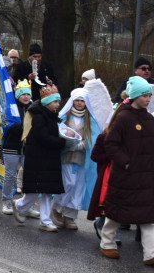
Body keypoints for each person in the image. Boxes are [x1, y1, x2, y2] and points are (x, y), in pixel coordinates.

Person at [96, 76, 154, 263]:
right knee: (116, 212)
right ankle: (107, 243)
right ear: (136, 96)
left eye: (150, 95)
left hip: (146, 177)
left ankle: (150, 254)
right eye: (145, 95)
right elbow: (111, 144)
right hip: (125, 176)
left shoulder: (149, 118)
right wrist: (125, 162)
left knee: (148, 216)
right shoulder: (123, 117)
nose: (148, 99)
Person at [12, 84, 67, 231]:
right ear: (47, 102)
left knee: (48, 191)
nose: (58, 104)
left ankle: (45, 221)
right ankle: (20, 206)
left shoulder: (51, 116)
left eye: (58, 101)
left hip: (49, 158)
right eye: (55, 101)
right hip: (38, 158)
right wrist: (62, 142)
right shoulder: (39, 117)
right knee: (35, 190)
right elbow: (43, 137)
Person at [51, 88, 100, 230]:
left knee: (78, 187)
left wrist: (85, 144)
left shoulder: (90, 120)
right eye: (77, 100)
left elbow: (95, 138)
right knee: (68, 184)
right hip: (65, 157)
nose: (79, 103)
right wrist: (67, 144)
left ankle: (70, 216)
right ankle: (57, 210)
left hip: (82, 158)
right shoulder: (63, 116)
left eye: (82, 101)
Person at [1, 80, 34, 215]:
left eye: (28, 94)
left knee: (30, 176)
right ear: (17, 95)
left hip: (28, 148)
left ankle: (27, 204)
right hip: (12, 147)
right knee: (10, 175)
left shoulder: (34, 108)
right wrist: (25, 125)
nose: (26, 96)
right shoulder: (11, 108)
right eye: (22, 94)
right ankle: (6, 201)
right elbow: (8, 126)